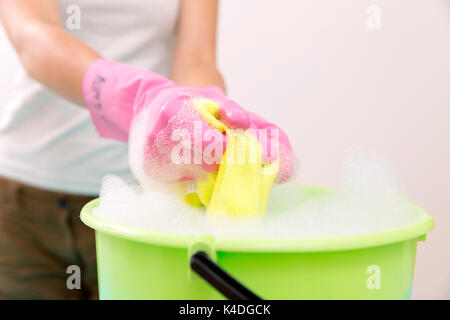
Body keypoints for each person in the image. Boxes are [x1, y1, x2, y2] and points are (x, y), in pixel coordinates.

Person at [0, 0, 293, 299]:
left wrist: (208, 112)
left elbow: (196, 60)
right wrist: (138, 96)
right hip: (22, 201)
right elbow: (32, 36)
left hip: (137, 208)